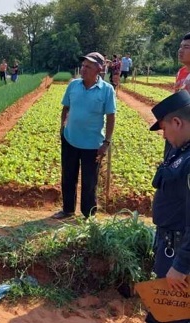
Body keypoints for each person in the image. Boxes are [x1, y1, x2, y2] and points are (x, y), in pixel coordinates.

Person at [52, 52, 116, 220]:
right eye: (83, 65)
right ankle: (67, 210)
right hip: (70, 139)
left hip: (93, 144)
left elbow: (111, 117)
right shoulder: (73, 85)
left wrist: (106, 142)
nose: (84, 69)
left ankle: (88, 215)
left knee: (89, 181)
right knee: (68, 176)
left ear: (99, 69)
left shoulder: (107, 90)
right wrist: (62, 128)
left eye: (88, 66)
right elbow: (65, 107)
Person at [145, 90, 190, 323]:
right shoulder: (180, 148)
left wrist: (181, 266)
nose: (164, 135)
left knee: (175, 320)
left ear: (177, 122)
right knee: (161, 314)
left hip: (181, 251)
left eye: (164, 128)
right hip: (169, 244)